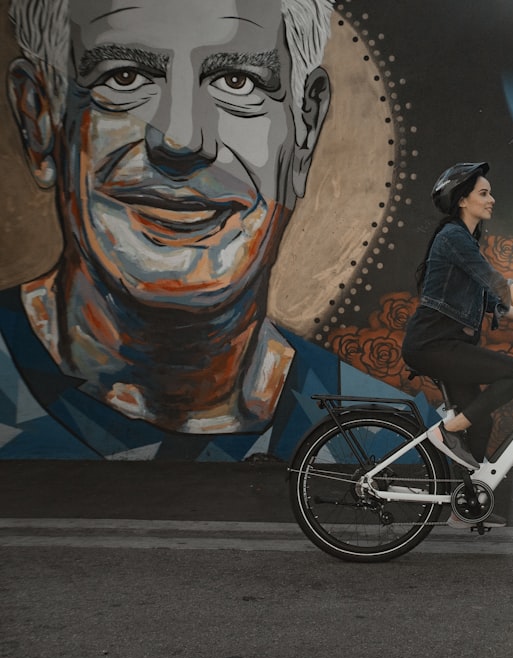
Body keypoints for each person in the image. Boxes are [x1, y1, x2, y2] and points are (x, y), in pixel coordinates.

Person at [1, 0, 335, 458]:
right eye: (125, 78)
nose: (181, 139)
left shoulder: (368, 428)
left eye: (237, 81)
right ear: (40, 120)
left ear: (304, 135)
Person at [402, 162, 513, 526]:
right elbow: (501, 285)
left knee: (479, 422)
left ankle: (463, 509)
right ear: (462, 200)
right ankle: (445, 432)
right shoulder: (453, 236)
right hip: (434, 344)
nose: (492, 199)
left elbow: (489, 301)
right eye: (483, 193)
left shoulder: (463, 242)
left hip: (445, 343)